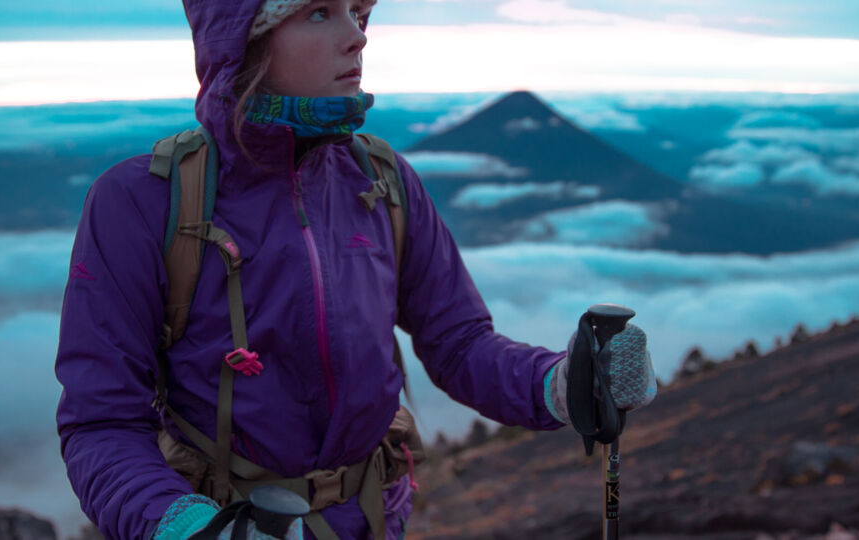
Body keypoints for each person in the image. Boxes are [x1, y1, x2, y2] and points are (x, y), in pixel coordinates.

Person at [54, 0, 656, 539]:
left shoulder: (381, 182)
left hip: (370, 518)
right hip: (228, 520)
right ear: (242, 37)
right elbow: (102, 422)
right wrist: (187, 528)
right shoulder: (142, 204)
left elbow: (459, 343)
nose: (357, 37)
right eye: (320, 12)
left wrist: (561, 382)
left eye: (359, 12)